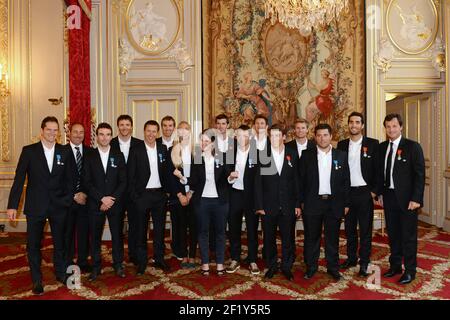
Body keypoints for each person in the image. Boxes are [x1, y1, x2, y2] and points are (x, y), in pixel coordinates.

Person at [7, 116, 75, 295]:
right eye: (49, 130)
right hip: (36, 206)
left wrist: (67, 200)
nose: (52, 133)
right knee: (33, 245)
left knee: (60, 243)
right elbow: (19, 179)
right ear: (42, 131)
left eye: (55, 130)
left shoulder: (64, 151)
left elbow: (71, 179)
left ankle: (61, 273)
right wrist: (13, 205)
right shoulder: (29, 151)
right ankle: (37, 280)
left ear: (58, 132)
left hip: (59, 206)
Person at [299, 123, 350, 281]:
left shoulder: (341, 155)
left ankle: (333, 268)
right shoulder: (307, 155)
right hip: (312, 203)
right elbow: (300, 181)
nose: (322, 138)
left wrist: (346, 204)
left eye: (325, 135)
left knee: (332, 238)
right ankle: (311, 267)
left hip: (333, 204)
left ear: (331, 136)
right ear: (315, 137)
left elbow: (345, 182)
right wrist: (300, 202)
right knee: (311, 238)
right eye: (319, 135)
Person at [378, 113, 425, 285]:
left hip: (408, 201)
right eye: (388, 127)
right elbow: (381, 174)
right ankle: (396, 266)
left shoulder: (413, 147)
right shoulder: (382, 147)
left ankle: (410, 271)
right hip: (389, 197)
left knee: (408, 237)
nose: (391, 129)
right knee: (394, 235)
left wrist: (416, 198)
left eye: (394, 126)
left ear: (401, 127)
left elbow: (419, 175)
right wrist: (380, 193)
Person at [179, 129, 231, 276]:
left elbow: (227, 177)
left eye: (206, 141)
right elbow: (194, 181)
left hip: (220, 201)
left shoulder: (222, 157)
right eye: (201, 141)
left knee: (221, 233)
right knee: (202, 233)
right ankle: (205, 264)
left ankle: (220, 264)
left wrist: (231, 177)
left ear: (213, 143)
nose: (203, 144)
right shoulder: (197, 158)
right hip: (202, 202)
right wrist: (183, 178)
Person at [255, 124, 301, 281]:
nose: (274, 139)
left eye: (277, 135)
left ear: (284, 137)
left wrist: (297, 204)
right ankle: (272, 266)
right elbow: (258, 183)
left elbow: (296, 181)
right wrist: (260, 206)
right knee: (269, 238)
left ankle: (287, 267)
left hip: (288, 205)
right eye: (271, 136)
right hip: (268, 206)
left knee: (288, 238)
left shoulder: (292, 155)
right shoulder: (263, 155)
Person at [337, 112, 379, 277]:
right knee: (349, 229)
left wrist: (374, 192)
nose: (353, 125)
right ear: (348, 125)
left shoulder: (373, 144)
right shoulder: (341, 144)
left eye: (357, 122)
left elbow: (378, 170)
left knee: (365, 231)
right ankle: (351, 258)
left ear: (362, 125)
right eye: (351, 122)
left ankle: (364, 263)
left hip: (364, 193)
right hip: (347, 193)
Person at [84, 123, 127, 281]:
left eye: (108, 134)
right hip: (96, 204)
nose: (104, 137)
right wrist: (102, 198)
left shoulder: (119, 155)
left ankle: (118, 265)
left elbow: (123, 182)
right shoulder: (89, 156)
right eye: (101, 134)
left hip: (115, 203)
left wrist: (111, 199)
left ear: (111, 136)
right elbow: (86, 182)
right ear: (97, 136)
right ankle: (96, 267)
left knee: (117, 236)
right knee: (95, 237)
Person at [127, 120, 171, 275]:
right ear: (144, 132)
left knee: (159, 230)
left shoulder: (162, 149)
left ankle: (159, 259)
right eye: (148, 131)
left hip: (159, 195)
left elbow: (166, 172)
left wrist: (166, 192)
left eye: (154, 131)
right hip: (142, 196)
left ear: (157, 133)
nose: (151, 134)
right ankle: (142, 261)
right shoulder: (135, 150)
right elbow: (130, 176)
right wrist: (135, 197)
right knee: (141, 230)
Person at [226, 125, 260, 275]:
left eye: (246, 136)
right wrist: (230, 177)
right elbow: (223, 175)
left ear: (250, 137)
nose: (242, 139)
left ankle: (252, 260)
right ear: (235, 136)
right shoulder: (229, 154)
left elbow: (260, 180)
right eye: (239, 136)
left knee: (252, 229)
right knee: (234, 229)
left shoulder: (258, 154)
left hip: (251, 196)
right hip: (234, 194)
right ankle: (235, 258)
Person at [110, 115, 143, 266]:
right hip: (116, 193)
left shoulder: (139, 144)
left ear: (132, 127)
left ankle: (134, 254)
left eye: (127, 124)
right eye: (122, 125)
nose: (124, 127)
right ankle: (118, 258)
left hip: (134, 193)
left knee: (135, 225)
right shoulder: (110, 143)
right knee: (116, 227)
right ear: (118, 127)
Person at [63, 122, 93, 273]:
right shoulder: (61, 151)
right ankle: (68, 261)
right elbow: (57, 178)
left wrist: (85, 194)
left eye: (81, 132)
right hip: (67, 200)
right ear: (69, 133)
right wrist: (73, 195)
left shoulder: (90, 152)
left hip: (85, 200)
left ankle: (82, 260)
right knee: (67, 232)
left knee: (83, 232)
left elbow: (94, 177)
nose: (78, 135)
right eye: (75, 132)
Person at [169, 121, 198, 268]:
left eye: (186, 129)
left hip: (193, 195)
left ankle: (192, 255)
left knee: (193, 226)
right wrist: (180, 195)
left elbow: (199, 175)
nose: (183, 131)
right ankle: (181, 253)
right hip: (177, 197)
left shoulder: (197, 151)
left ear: (190, 131)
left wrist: (190, 193)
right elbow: (169, 176)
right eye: (180, 129)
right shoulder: (171, 150)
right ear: (177, 132)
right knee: (179, 226)